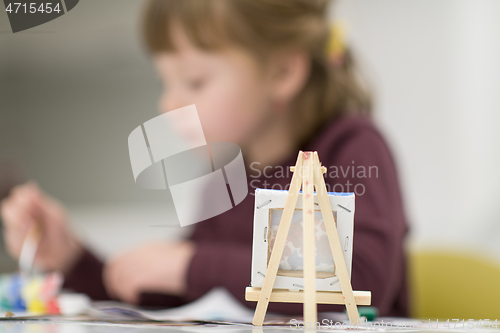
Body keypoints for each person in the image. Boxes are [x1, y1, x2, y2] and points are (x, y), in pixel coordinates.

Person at [0, 0, 408, 316]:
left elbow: (361, 279)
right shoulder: (224, 177)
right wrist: (71, 257)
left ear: (283, 73)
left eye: (194, 81)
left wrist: (190, 265)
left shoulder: (353, 148)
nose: (168, 101)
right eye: (166, 81)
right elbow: (174, 299)